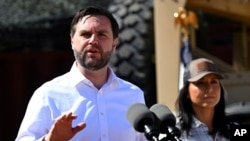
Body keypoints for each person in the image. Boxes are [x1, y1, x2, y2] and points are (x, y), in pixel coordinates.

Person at [15, 6, 147, 141]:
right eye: (86, 34)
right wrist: (49, 140)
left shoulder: (133, 95)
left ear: (114, 44)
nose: (93, 40)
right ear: (72, 41)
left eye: (102, 34)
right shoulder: (48, 95)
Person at [175, 58, 234, 141]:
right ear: (187, 92)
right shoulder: (175, 134)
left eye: (213, 82)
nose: (210, 88)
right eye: (200, 83)